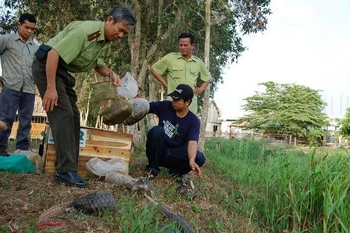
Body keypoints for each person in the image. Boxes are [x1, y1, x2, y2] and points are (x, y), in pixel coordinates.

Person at [32, 7, 136, 187]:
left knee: (74, 116)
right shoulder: (85, 32)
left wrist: (111, 74)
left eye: (124, 34)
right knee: (62, 114)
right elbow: (53, 54)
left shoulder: (104, 42)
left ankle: (70, 168)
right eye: (120, 30)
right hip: (47, 65)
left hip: (61, 70)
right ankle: (65, 172)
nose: (120, 36)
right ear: (110, 20)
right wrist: (50, 88)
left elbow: (98, 65)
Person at [144, 84, 206, 182]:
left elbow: (193, 142)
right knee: (156, 131)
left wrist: (191, 160)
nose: (174, 102)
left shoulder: (194, 121)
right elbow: (147, 106)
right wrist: (138, 102)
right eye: (173, 99)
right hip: (159, 150)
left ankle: (176, 173)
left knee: (199, 157)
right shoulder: (165, 106)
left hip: (174, 155)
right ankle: (153, 168)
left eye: (177, 100)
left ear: (187, 102)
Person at [0, 13, 38, 157]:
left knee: (26, 120)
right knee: (5, 118)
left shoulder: (34, 47)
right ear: (19, 25)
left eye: (32, 29)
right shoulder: (7, 40)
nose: (29, 31)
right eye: (26, 27)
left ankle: (22, 149)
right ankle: (0, 147)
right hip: (10, 86)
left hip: (29, 88)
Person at [149, 32, 211, 114]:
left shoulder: (198, 62)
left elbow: (207, 78)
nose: (183, 47)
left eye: (186, 45)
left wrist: (200, 89)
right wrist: (165, 84)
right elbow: (153, 69)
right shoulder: (170, 58)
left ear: (192, 46)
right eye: (180, 45)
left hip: (190, 105)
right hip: (172, 103)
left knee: (188, 126)